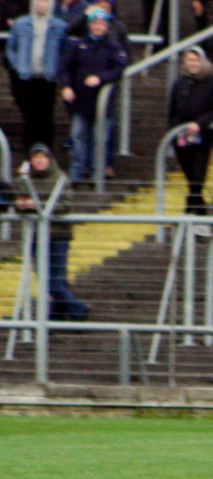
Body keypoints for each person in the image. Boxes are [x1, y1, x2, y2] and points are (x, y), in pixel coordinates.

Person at [16, 143, 90, 321]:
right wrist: (22, 205)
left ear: (49, 159)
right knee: (47, 278)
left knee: (55, 280)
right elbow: (19, 202)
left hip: (58, 235)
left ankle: (78, 309)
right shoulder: (26, 179)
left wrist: (38, 206)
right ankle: (57, 313)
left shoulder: (60, 178)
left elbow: (65, 206)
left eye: (42, 158)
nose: (39, 161)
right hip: (37, 235)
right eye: (35, 158)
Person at [58, 5, 125, 184]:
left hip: (103, 104)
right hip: (80, 101)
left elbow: (118, 69)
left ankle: (97, 174)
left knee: (100, 140)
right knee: (78, 136)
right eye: (95, 23)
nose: (98, 26)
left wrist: (100, 78)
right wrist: (66, 87)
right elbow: (65, 69)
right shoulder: (77, 45)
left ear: (106, 26)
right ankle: (77, 173)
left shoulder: (113, 47)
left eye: (101, 24)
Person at [167, 46, 213, 237]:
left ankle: (192, 214)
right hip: (182, 139)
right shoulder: (180, 83)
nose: (192, 63)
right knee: (192, 180)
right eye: (189, 60)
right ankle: (197, 216)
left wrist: (200, 124)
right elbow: (173, 110)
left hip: (203, 139)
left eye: (196, 60)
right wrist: (174, 133)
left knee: (197, 179)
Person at [6, 0, 69, 152]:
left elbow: (64, 51)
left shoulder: (59, 26)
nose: (42, 4)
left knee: (46, 117)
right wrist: (18, 65)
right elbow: (11, 49)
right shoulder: (20, 24)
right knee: (29, 116)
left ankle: (46, 152)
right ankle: (29, 153)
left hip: (47, 77)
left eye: (45, 1)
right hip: (26, 76)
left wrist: (56, 69)